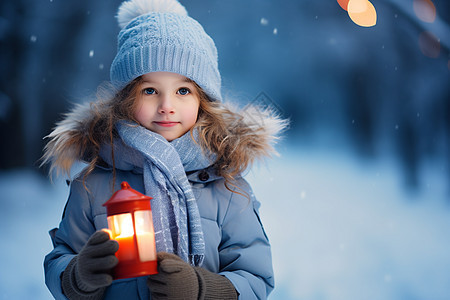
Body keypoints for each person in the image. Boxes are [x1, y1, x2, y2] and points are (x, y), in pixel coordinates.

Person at [42, 0, 287, 299]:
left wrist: (201, 289)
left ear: (203, 101)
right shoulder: (93, 183)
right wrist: (77, 275)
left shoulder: (227, 189)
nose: (167, 106)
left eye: (183, 91)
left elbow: (255, 277)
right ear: (125, 99)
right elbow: (60, 258)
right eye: (149, 90)